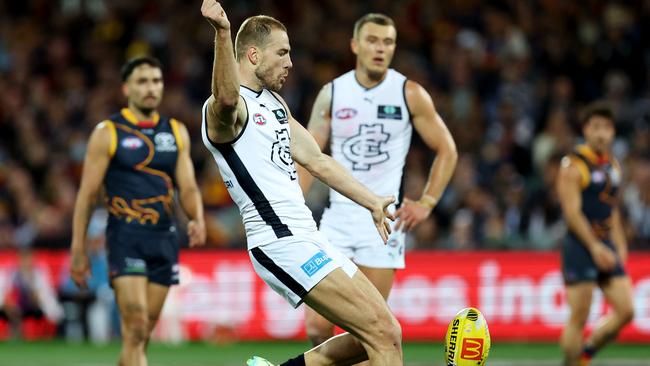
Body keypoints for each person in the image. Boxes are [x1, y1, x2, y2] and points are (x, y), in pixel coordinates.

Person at [200, 1, 401, 365]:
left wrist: (370, 200)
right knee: (383, 335)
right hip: (279, 240)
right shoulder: (226, 111)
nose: (291, 62)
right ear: (253, 55)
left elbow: (317, 159)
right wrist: (223, 32)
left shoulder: (275, 105)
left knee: (380, 334)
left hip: (308, 236)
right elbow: (226, 97)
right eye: (282, 52)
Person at [299, 13, 457, 347]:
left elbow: (447, 150)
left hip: (383, 224)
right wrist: (292, 210)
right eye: (372, 40)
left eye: (387, 42)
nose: (380, 49)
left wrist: (427, 202)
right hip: (337, 218)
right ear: (355, 45)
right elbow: (308, 157)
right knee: (315, 326)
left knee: (370, 331)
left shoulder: (409, 94)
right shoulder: (332, 94)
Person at [69, 56, 206, 366]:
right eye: (142, 81)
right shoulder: (108, 132)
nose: (151, 88)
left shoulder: (176, 131)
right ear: (126, 88)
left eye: (156, 81)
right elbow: (87, 195)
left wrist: (196, 216)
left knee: (138, 339)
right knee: (137, 324)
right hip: (125, 236)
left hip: (164, 238)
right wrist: (78, 248)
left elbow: (187, 186)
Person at [557, 102, 634, 366]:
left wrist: (619, 245)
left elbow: (611, 211)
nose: (602, 133)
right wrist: (594, 247)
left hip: (604, 244)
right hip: (580, 246)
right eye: (596, 127)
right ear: (586, 130)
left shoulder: (613, 165)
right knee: (579, 316)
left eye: (607, 128)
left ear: (613, 132)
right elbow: (572, 213)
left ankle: (585, 355)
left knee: (626, 311)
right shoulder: (573, 165)